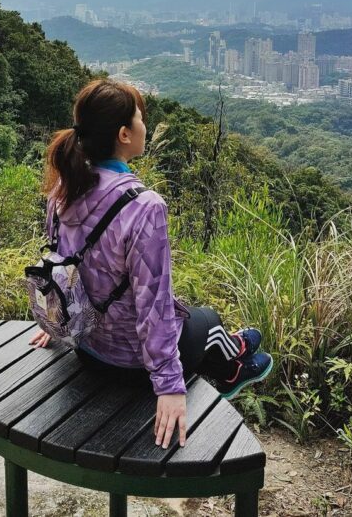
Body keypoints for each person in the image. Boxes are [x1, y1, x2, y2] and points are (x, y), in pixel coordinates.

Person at [28, 78, 273, 449]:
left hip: (87, 348)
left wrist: (59, 321)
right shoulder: (144, 207)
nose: (145, 125)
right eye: (141, 119)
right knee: (208, 320)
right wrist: (169, 388)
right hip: (129, 364)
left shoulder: (64, 187)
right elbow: (153, 307)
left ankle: (237, 353)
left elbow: (60, 263)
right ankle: (232, 367)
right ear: (124, 134)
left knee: (203, 325)